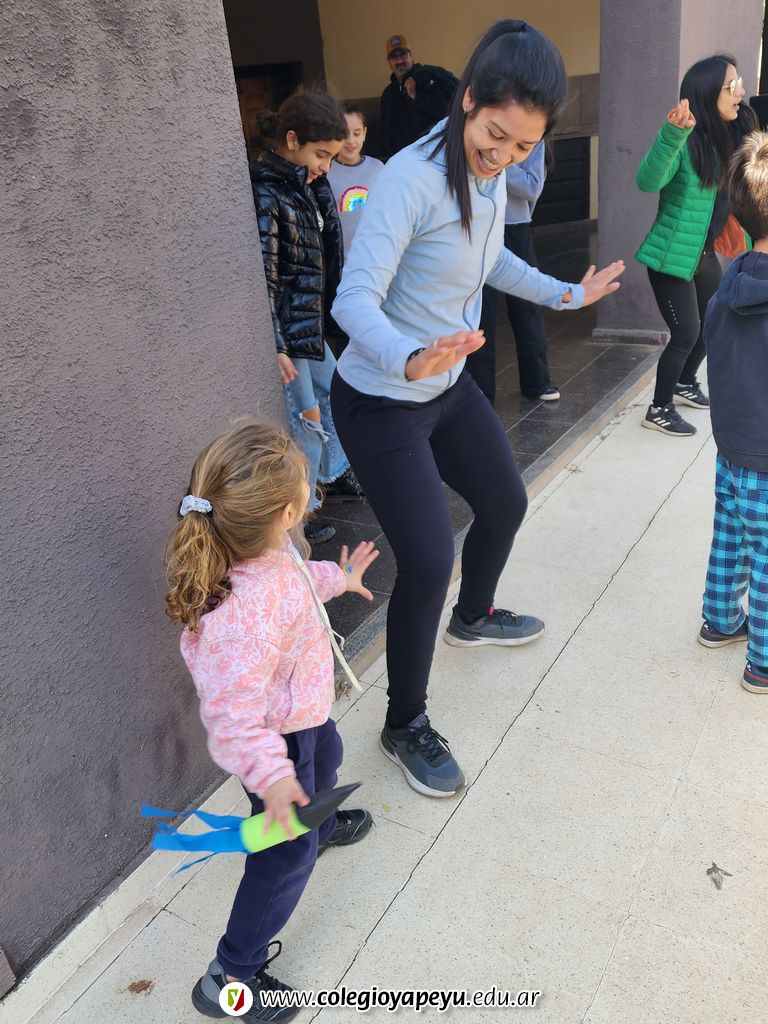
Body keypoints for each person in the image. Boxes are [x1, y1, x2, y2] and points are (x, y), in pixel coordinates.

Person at [330, 20, 624, 798]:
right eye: (495, 137)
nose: (503, 157)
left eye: (524, 146)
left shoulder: (492, 177)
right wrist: (407, 355)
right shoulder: (409, 179)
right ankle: (404, 723)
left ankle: (474, 615)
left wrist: (569, 294)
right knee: (428, 557)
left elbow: (491, 260)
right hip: (382, 399)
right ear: (468, 100)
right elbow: (352, 299)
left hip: (445, 384)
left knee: (505, 502)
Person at [165, 423, 378, 1021]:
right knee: (283, 856)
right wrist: (275, 778)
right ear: (289, 512)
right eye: (308, 484)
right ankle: (230, 975)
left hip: (303, 719)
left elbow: (298, 583)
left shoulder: (270, 551)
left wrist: (340, 579)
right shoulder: (245, 615)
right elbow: (233, 719)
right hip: (273, 747)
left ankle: (318, 825)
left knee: (329, 754)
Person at [250, 90, 363, 546]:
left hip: (309, 327)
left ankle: (329, 477)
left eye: (332, 157)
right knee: (308, 422)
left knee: (335, 394)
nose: (327, 166)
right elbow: (265, 276)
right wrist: (276, 344)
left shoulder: (306, 185)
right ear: (292, 140)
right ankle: (298, 515)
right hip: (290, 335)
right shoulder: (268, 192)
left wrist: (315, 183)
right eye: (321, 155)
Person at [636, 54, 755, 437]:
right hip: (671, 258)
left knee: (712, 324)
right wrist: (671, 135)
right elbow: (647, 181)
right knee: (686, 332)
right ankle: (659, 408)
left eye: (739, 84)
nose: (740, 92)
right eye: (731, 86)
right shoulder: (684, 143)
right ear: (706, 93)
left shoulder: (726, 139)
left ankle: (685, 381)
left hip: (702, 256)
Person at [698, 132, 768, 694]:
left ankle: (719, 622)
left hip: (731, 447)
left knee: (731, 534)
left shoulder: (726, 286)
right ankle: (763, 662)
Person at [471, 140, 559, 403]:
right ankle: (480, 391)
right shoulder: (480, 132)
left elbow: (532, 187)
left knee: (527, 304)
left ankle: (538, 381)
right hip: (479, 224)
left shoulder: (533, 137)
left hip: (514, 224)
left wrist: (497, 160)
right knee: (481, 309)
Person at [380, 33, 459, 159]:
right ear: (389, 62)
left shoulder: (430, 76)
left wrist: (417, 97)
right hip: (403, 160)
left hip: (434, 156)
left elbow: (449, 112)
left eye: (403, 54)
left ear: (411, 56)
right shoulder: (387, 95)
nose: (399, 61)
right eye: (394, 57)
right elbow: (386, 135)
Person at [327, 106, 384, 259]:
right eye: (344, 134)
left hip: (375, 256)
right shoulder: (326, 172)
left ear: (364, 133)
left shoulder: (377, 168)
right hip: (341, 260)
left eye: (356, 133)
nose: (351, 141)